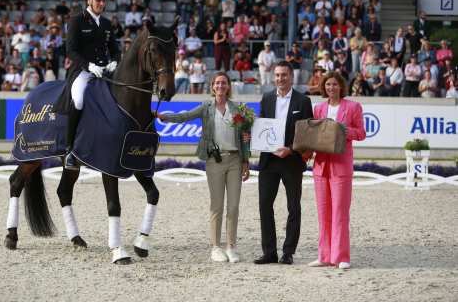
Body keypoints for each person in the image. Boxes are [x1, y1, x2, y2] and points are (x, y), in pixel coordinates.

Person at [156, 72, 251, 263]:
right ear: (212, 87)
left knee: (233, 206)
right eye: (217, 83)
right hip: (214, 160)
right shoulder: (206, 107)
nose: (221, 86)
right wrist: (165, 117)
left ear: (228, 86)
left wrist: (246, 161)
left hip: (234, 160)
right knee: (216, 205)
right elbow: (185, 116)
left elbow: (245, 137)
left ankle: (231, 246)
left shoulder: (238, 109)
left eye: (224, 82)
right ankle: (216, 247)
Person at [53, 0, 120, 169]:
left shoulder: (106, 24)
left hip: (104, 71)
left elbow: (116, 49)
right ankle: (69, 150)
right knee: (79, 99)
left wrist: (114, 60)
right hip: (82, 71)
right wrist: (89, 65)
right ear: (89, 0)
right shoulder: (76, 20)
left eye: (104, 0)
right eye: (98, 0)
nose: (101, 4)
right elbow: (71, 51)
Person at [254, 61, 313, 265]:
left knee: (293, 207)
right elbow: (262, 126)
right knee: (264, 205)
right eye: (277, 75)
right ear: (273, 77)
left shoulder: (303, 101)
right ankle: (269, 252)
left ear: (291, 76)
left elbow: (307, 133)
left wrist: (291, 149)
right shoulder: (267, 98)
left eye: (284, 75)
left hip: (292, 160)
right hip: (269, 160)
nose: (280, 79)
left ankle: (288, 252)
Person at [309, 71, 366, 270]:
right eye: (327, 85)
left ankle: (341, 256)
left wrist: (343, 130)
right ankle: (324, 255)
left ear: (341, 86)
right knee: (323, 212)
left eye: (334, 84)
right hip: (321, 166)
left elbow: (361, 133)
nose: (331, 88)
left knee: (340, 212)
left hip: (341, 165)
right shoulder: (318, 109)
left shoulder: (353, 107)